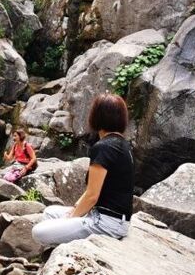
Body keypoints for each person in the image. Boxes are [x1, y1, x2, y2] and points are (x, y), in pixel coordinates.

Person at [32, 94, 133, 246]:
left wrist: (71, 217)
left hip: (106, 223)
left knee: (38, 232)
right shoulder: (122, 145)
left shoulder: (104, 147)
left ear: (97, 117)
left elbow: (92, 196)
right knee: (50, 212)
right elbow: (95, 190)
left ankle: (65, 248)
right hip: (114, 220)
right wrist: (75, 209)